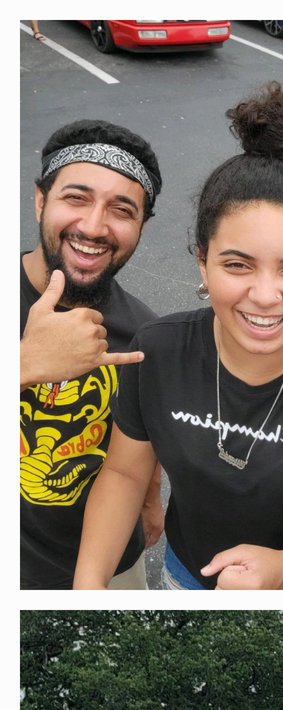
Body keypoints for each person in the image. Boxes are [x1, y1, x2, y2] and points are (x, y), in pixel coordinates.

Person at [74, 82, 283, 589]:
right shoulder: (155, 350)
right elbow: (124, 474)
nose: (265, 296)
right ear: (203, 261)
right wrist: (88, 587)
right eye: (237, 264)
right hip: (184, 572)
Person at [21, 118, 165, 589]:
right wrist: (24, 364)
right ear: (42, 199)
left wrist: (150, 500)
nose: (93, 226)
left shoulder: (145, 333)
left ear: (141, 226)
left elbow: (141, 431)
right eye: (75, 198)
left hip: (109, 561)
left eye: (122, 210)